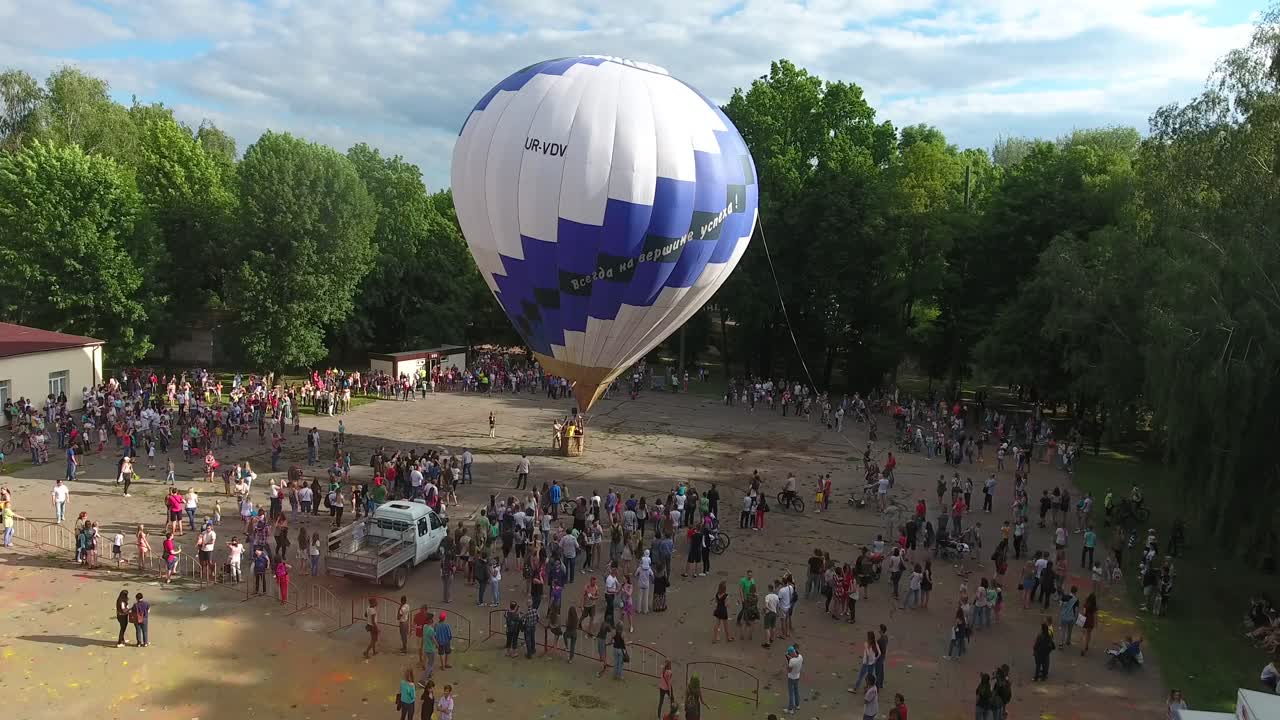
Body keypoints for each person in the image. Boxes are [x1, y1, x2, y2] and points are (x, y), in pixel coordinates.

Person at [785, 645, 804, 714]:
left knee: (791, 693)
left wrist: (787, 662)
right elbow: (796, 660)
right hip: (797, 676)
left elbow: (789, 670)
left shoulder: (792, 661)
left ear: (791, 653)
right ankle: (797, 705)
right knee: (796, 691)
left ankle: (790, 709)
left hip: (791, 677)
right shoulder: (800, 657)